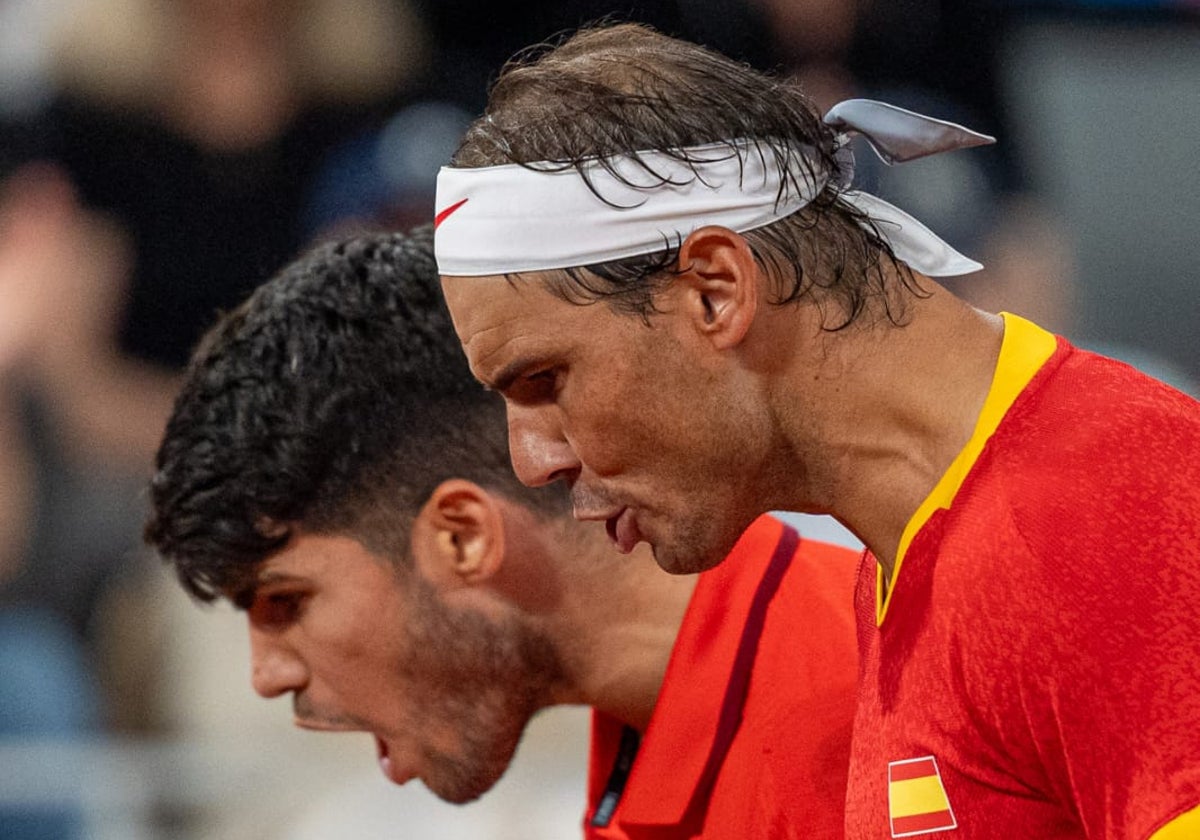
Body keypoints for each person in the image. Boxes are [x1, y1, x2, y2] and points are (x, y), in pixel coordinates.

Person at [433, 23, 1200, 840]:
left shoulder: (1092, 517)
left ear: (715, 291)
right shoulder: (917, 557)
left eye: (545, 381)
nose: (532, 460)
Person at [143, 227, 861, 838]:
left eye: (285, 602)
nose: (269, 677)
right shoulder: (645, 771)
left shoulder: (875, 691)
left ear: (463, 539)